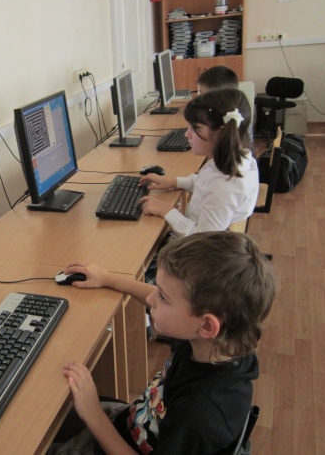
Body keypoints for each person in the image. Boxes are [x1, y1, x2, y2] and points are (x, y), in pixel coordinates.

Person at [49, 231, 276, 454]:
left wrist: (94, 415)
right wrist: (108, 278)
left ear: (207, 326)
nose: (151, 299)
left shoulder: (200, 415)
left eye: (163, 297)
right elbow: (177, 304)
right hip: (134, 423)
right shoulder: (218, 342)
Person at [139, 88, 258, 238]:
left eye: (196, 128)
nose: (187, 134)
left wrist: (166, 211)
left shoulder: (224, 185)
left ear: (221, 133)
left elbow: (204, 238)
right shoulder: (237, 161)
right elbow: (206, 183)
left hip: (195, 248)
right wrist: (174, 182)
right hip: (199, 241)